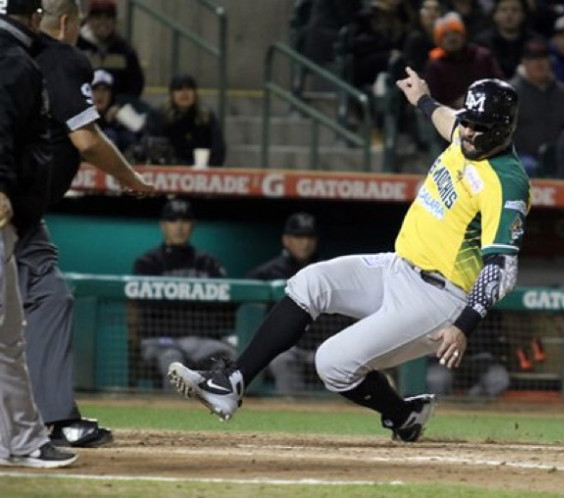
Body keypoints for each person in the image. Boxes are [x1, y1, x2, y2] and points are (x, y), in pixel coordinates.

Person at [167, 71, 530, 443]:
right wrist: (422, 99)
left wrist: (464, 324)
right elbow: (446, 121)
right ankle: (232, 382)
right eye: (466, 121)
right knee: (309, 282)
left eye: (477, 126)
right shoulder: (469, 134)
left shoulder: (507, 181)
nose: (467, 131)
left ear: (502, 129)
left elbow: (502, 270)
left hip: (440, 298)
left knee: (333, 364)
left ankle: (402, 414)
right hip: (398, 266)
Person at [24, 0, 154, 449]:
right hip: (10, 207)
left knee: (48, 295)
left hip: (23, 213)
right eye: (77, 23)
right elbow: (86, 139)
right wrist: (130, 178)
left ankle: (52, 417)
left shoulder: (14, 55)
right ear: (65, 22)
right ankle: (50, 419)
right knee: (43, 299)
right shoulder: (60, 55)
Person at [0, 0, 77, 468]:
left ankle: (19, 441)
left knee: (8, 336)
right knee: (6, 336)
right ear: (35, 18)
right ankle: (24, 442)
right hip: (3, 214)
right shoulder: (12, 60)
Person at [132, 199, 235, 389]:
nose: (179, 226)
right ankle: (171, 415)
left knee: (231, 358)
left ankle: (221, 410)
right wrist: (195, 304)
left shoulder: (208, 263)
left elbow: (222, 310)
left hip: (201, 341)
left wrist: (174, 303)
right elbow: (149, 310)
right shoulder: (147, 263)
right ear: (163, 225)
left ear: (193, 226)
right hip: (161, 340)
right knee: (173, 361)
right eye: (173, 221)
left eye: (185, 220)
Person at [246, 213, 341, 395]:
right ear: (286, 240)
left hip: (321, 346)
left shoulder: (327, 272)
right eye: (299, 237)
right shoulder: (265, 273)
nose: (304, 242)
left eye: (309, 237)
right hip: (288, 350)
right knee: (283, 360)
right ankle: (293, 408)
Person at [509, 37, 564, 172]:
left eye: (543, 59)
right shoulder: (509, 94)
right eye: (533, 59)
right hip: (519, 159)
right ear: (524, 62)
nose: (539, 64)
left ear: (551, 62)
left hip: (560, 159)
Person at [424, 12, 503, 109]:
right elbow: (433, 100)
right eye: (445, 35)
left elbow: (500, 84)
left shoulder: (483, 56)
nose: (452, 38)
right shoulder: (435, 65)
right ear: (439, 41)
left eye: (456, 32)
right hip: (451, 117)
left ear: (463, 35)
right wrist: (454, 105)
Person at [145, 74, 226, 167]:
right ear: (172, 94)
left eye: (189, 89)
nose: (184, 93)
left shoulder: (206, 117)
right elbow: (152, 146)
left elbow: (218, 149)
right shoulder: (159, 116)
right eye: (179, 89)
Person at [75, 0, 144, 103]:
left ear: (115, 21)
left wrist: (120, 105)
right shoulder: (77, 47)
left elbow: (135, 84)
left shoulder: (124, 50)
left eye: (108, 18)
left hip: (115, 112)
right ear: (89, 20)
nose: (103, 23)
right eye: (98, 18)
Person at [473, 0, 536, 79]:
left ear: (523, 15)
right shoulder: (482, 44)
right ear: (495, 15)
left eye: (515, 10)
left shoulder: (534, 42)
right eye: (503, 10)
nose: (509, 14)